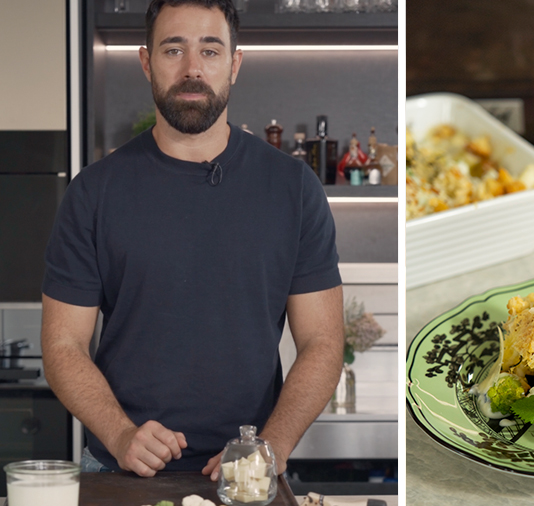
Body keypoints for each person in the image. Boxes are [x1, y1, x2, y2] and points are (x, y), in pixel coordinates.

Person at [40, 0, 344, 479]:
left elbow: (323, 342)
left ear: (234, 64)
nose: (192, 69)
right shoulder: (94, 192)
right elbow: (62, 345)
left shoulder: (293, 187)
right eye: (173, 50)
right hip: (119, 468)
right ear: (146, 62)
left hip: (252, 471)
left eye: (210, 50)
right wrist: (120, 435)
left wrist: (271, 446)